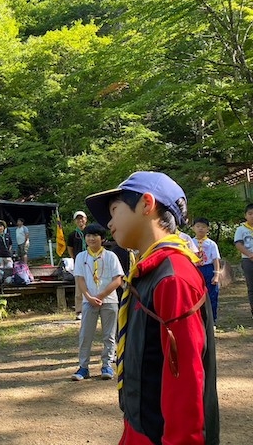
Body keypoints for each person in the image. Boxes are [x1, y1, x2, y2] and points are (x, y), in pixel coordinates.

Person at [85, 171, 219, 445]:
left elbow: (186, 385)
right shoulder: (148, 272)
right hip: (140, 427)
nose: (109, 222)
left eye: (114, 210)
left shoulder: (173, 277)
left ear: (147, 204)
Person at [71, 223, 123, 381]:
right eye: (88, 235)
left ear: (103, 238)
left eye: (94, 235)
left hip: (109, 300)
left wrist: (100, 296)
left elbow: (118, 280)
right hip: (89, 301)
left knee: (109, 335)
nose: (91, 238)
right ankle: (83, 367)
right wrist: (88, 297)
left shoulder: (110, 256)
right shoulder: (81, 256)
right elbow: (80, 279)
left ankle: (107, 365)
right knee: (86, 334)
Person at [192, 218, 221, 325]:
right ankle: (197, 320)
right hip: (195, 269)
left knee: (212, 295)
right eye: (198, 226)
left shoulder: (211, 244)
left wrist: (216, 274)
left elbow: (215, 259)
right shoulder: (189, 242)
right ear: (193, 228)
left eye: (203, 227)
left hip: (208, 269)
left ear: (208, 229)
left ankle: (211, 320)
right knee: (195, 295)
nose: (201, 229)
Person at [234, 203, 253, 319]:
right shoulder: (241, 229)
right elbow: (238, 244)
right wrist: (249, 254)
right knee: (251, 286)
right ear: (245, 215)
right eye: (250, 214)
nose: (252, 216)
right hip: (248, 260)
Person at [67, 211, 88, 319]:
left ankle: (93, 307)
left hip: (91, 261)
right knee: (79, 287)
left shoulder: (90, 232)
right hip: (79, 263)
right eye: (78, 219)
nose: (80, 221)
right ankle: (79, 310)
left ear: (86, 219)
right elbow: (70, 248)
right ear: (75, 221)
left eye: (82, 218)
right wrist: (74, 258)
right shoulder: (72, 235)